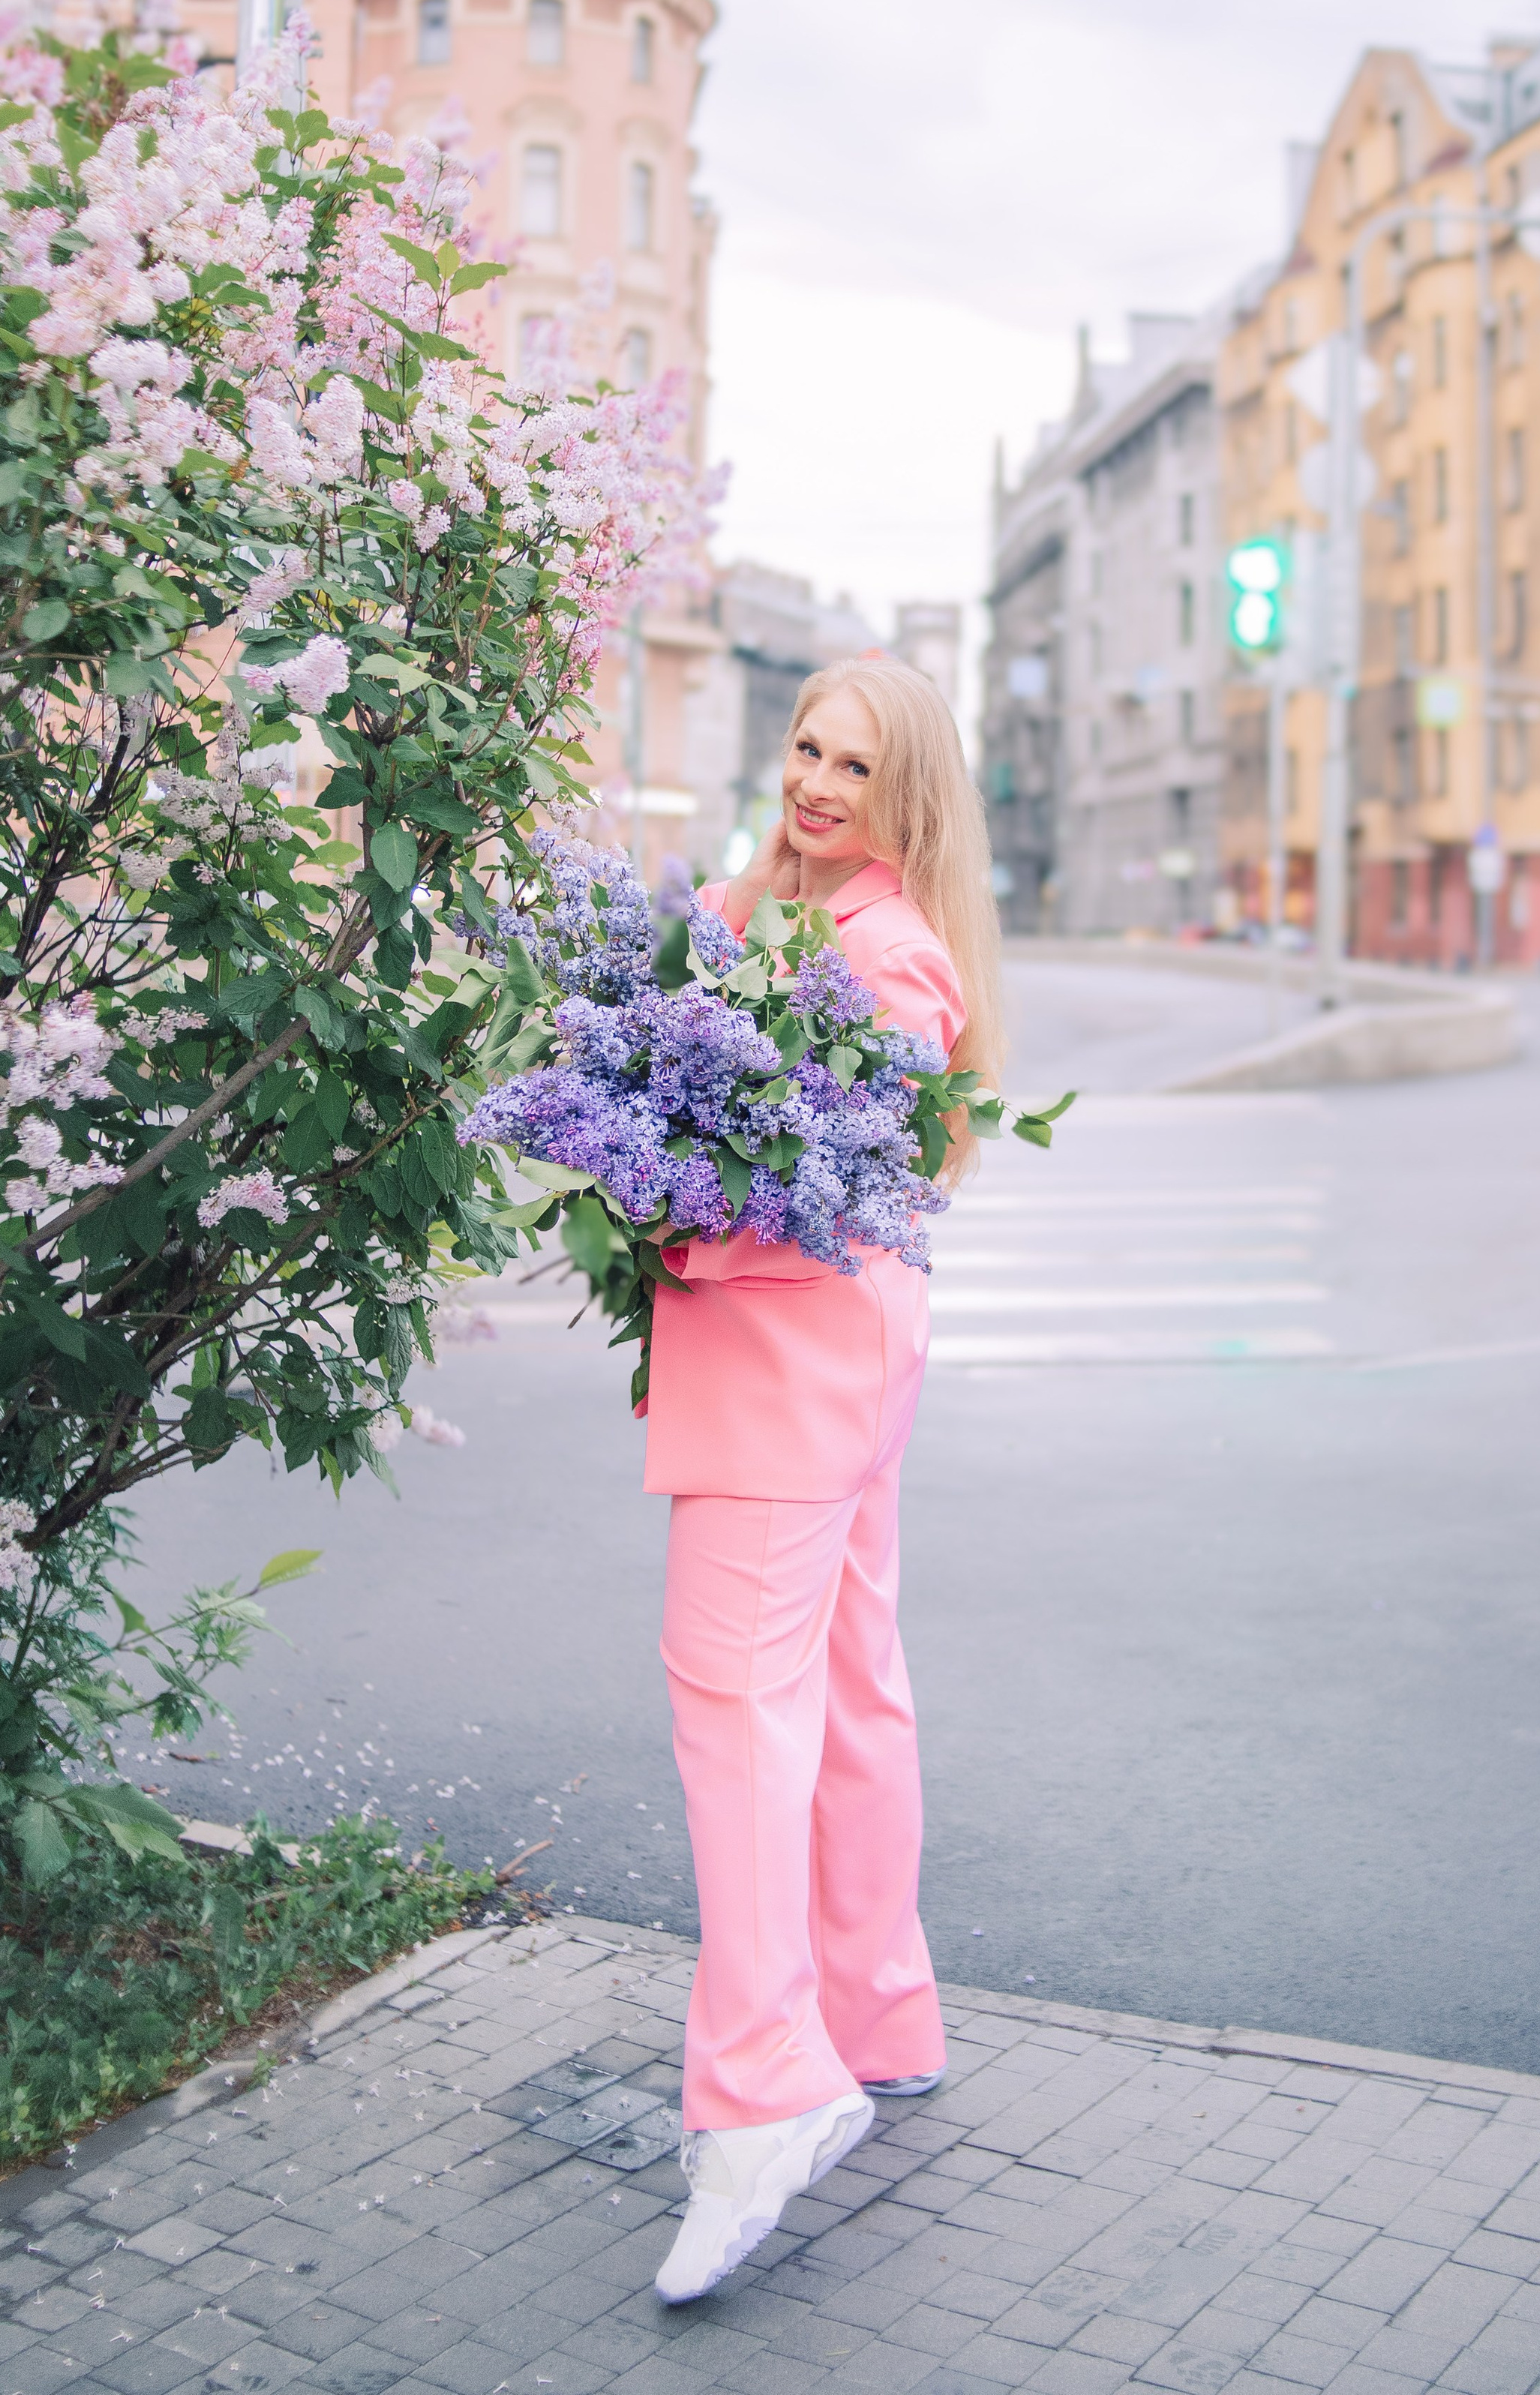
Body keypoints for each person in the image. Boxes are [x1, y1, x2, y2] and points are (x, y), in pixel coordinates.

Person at [641, 656, 1004, 2303]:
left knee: (734, 1711)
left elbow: (803, 1189)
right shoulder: (758, 914)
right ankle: (876, 2007)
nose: (815, 784)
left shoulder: (888, 960)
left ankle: (766, 2094)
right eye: (803, 748)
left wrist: (667, 1216)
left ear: (906, 798)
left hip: (789, 1384)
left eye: (855, 766)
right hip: (834, 1373)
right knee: (848, 1684)